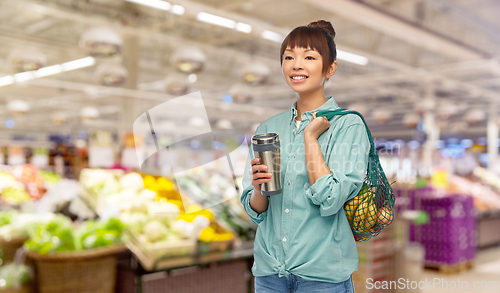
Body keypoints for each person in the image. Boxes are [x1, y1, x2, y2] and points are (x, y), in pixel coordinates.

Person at [240, 20, 370, 292]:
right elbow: (257, 212)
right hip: (269, 273)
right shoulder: (268, 128)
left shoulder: (348, 125)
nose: (296, 65)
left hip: (321, 275)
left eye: (309, 57)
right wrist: (258, 187)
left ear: (330, 68)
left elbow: (331, 199)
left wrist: (310, 139)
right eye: (289, 57)